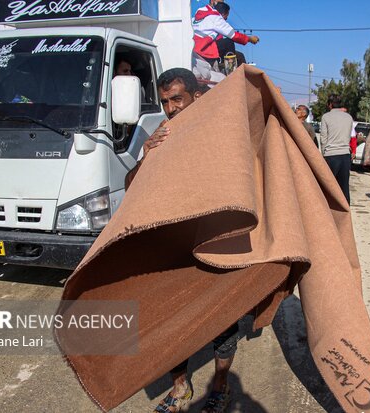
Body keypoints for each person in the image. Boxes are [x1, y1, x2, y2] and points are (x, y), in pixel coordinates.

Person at [124, 68, 238, 413]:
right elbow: (132, 187)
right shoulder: (161, 134)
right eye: (165, 102)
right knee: (171, 318)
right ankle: (180, 386)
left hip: (215, 241)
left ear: (196, 97)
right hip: (173, 245)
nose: (171, 109)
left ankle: (220, 384)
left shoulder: (219, 132)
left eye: (177, 99)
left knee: (222, 317)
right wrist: (146, 155)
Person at [192, 0, 259, 84]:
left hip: (194, 47)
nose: (225, 20)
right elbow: (233, 35)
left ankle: (231, 69)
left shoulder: (197, 16)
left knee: (238, 55)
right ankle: (232, 74)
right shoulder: (215, 17)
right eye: (225, 18)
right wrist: (249, 39)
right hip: (205, 50)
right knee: (228, 42)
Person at [319, 94, 354, 204]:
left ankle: (327, 211)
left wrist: (324, 153)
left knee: (328, 186)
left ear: (329, 104)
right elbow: (349, 135)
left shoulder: (326, 117)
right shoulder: (348, 117)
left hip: (331, 155)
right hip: (345, 155)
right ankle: (345, 212)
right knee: (344, 186)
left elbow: (323, 138)